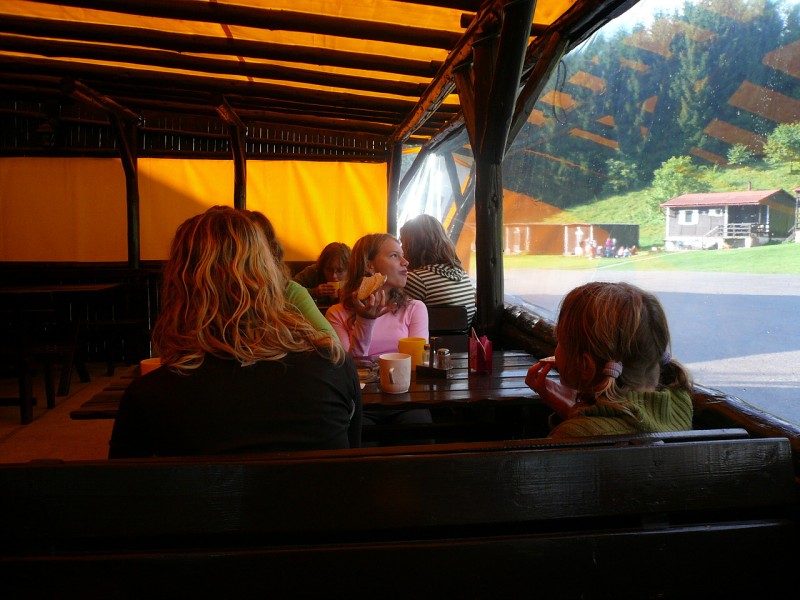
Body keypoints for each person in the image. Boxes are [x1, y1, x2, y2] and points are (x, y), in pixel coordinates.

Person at [109, 206, 361, 458]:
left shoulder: (147, 398)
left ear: (179, 287)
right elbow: (352, 462)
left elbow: (125, 481)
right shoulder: (334, 367)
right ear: (271, 278)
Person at [525, 281, 693, 438]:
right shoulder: (680, 404)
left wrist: (576, 423)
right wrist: (574, 413)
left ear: (586, 366)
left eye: (559, 341)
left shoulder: (573, 435)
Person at [325, 233, 430, 429]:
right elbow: (350, 369)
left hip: (405, 399)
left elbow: (417, 365)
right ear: (369, 266)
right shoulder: (337, 314)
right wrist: (365, 321)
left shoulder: (414, 308)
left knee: (418, 427)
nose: (405, 262)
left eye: (403, 255)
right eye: (394, 255)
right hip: (360, 402)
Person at [245, 210, 337, 338]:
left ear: (271, 250)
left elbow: (331, 340)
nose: (334, 275)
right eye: (329, 269)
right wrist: (315, 291)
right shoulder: (313, 272)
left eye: (257, 244)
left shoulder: (288, 291)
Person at [398, 214, 476, 325]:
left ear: (413, 246)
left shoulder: (416, 280)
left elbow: (394, 317)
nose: (401, 249)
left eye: (403, 243)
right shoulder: (462, 274)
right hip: (463, 336)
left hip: (428, 336)